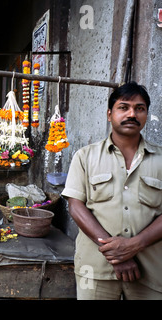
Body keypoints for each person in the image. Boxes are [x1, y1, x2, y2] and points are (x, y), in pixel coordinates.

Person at [62, 81, 162, 300]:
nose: (132, 114)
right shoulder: (85, 157)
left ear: (146, 115)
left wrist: (134, 245)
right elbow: (76, 206)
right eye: (123, 107)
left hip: (152, 273)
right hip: (95, 269)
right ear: (110, 114)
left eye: (139, 108)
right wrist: (118, 255)